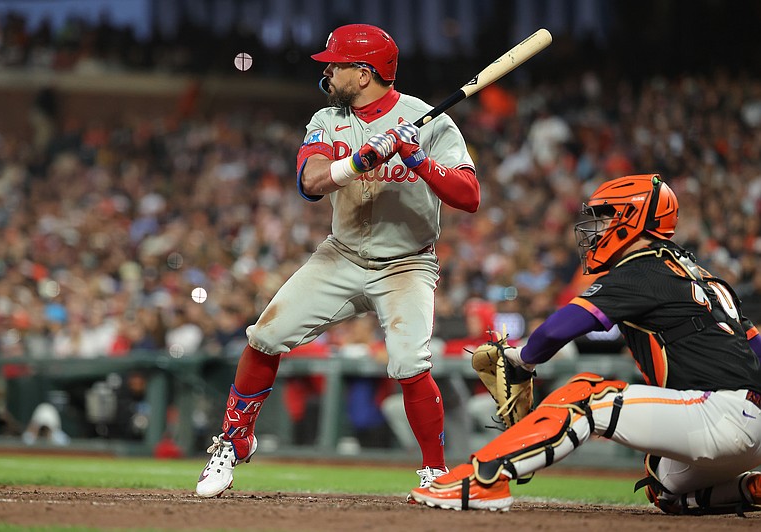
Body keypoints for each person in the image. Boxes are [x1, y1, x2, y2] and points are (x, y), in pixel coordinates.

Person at [195, 23, 480, 499]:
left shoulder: (428, 121)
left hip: (406, 262)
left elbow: (469, 196)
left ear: (364, 73)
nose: (328, 73)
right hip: (342, 253)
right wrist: (358, 162)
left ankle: (435, 472)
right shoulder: (327, 119)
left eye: (336, 65)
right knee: (264, 336)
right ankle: (233, 439)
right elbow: (309, 182)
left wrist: (417, 160)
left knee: (411, 361)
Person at [410, 174, 761, 514]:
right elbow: (755, 345)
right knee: (665, 481)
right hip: (747, 426)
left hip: (716, 414)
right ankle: (747, 487)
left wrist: (521, 359)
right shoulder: (701, 275)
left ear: (632, 218)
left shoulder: (642, 269)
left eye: (606, 217)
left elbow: (557, 329)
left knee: (584, 396)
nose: (597, 229)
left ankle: (484, 478)